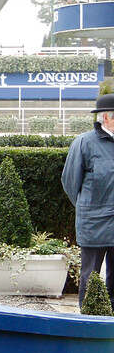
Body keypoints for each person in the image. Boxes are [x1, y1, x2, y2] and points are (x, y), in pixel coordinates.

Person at [61, 93, 114, 309]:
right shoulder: (84, 143)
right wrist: (87, 207)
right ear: (106, 118)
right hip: (94, 222)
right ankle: (87, 316)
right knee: (90, 275)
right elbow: (70, 182)